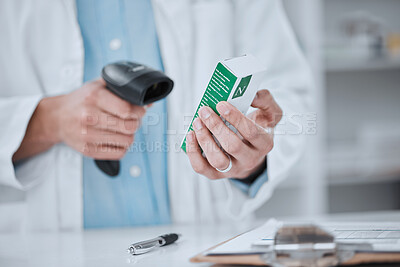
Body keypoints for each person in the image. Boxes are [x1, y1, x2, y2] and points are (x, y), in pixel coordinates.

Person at [0, 0, 312, 231]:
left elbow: (288, 93)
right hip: (48, 244)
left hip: (198, 240)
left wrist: (249, 155)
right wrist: (44, 121)